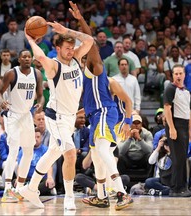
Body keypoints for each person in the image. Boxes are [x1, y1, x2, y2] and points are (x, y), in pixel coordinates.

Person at [18, 16, 94, 210]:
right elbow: (41, 58)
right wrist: (30, 41)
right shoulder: (54, 66)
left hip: (69, 118)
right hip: (56, 116)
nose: (70, 51)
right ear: (58, 49)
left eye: (71, 47)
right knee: (69, 154)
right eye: (67, 48)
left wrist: (66, 31)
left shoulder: (76, 58)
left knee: (53, 152)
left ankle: (31, 187)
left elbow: (89, 41)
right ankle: (69, 197)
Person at [67, 1, 133, 210]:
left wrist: (80, 20)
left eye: (80, 50)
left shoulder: (95, 66)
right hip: (96, 115)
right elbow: (89, 104)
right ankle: (102, 196)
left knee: (103, 150)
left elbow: (90, 41)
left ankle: (122, 192)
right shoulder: (83, 75)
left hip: (106, 112)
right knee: (96, 156)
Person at [0, 49, 44, 203]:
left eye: (29, 57)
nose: (27, 59)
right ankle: (7, 189)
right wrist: (1, 101)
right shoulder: (12, 73)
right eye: (24, 56)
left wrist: (40, 104)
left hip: (27, 116)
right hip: (13, 115)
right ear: (19, 59)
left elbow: (41, 95)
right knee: (14, 150)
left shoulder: (37, 74)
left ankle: (20, 187)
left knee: (29, 152)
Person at [163, 64, 191, 197]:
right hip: (175, 124)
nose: (178, 76)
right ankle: (175, 188)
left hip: (184, 125)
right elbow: (167, 109)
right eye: (176, 74)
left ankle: (183, 187)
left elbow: (188, 111)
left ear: (184, 74)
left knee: (183, 157)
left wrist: (190, 130)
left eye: (181, 73)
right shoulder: (170, 88)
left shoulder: (186, 91)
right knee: (177, 158)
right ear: (173, 75)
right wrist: (172, 128)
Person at [16, 128, 55, 196]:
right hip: (27, 178)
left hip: (41, 179)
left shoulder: (46, 150)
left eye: (38, 137)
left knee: (48, 184)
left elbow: (49, 166)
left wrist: (49, 177)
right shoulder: (23, 150)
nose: (35, 139)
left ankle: (27, 191)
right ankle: (30, 191)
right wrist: (18, 179)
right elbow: (20, 166)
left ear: (41, 138)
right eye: (33, 137)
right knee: (15, 182)